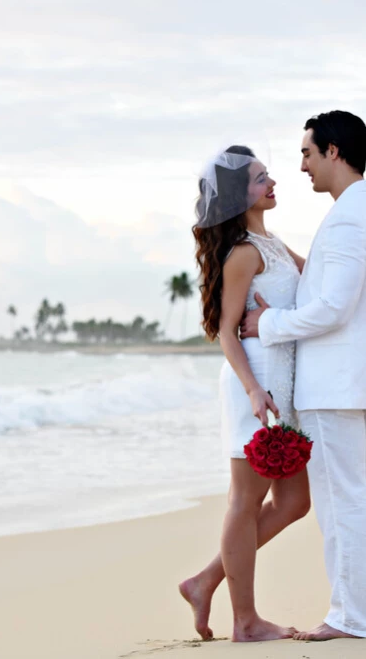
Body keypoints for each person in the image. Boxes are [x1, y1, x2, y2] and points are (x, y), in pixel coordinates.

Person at [241, 110, 366, 641]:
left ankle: (350, 616)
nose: (301, 166)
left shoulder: (348, 217)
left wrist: (267, 322)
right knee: (352, 499)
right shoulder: (354, 211)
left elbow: (332, 309)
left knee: (343, 505)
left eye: (308, 153)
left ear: (334, 152)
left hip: (337, 386)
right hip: (348, 381)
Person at [179, 146, 310, 642]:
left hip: (285, 386)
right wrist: (254, 390)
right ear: (239, 194)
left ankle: (205, 579)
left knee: (294, 501)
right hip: (254, 386)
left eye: (268, 175)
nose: (272, 182)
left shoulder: (271, 242)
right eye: (260, 179)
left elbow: (320, 270)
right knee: (246, 499)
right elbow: (227, 332)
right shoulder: (242, 253)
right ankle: (245, 620)